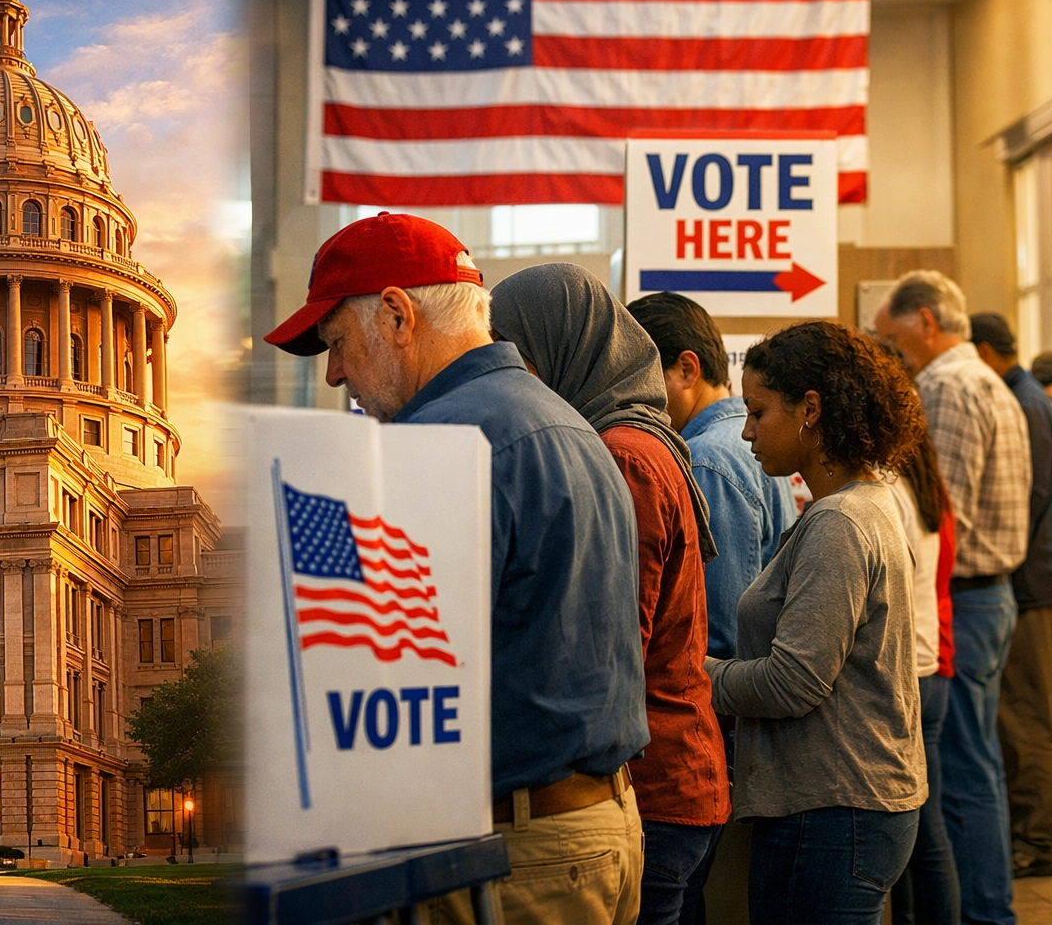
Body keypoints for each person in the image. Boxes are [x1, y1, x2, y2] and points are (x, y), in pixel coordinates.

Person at [264, 213, 649, 924]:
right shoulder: (570, 424)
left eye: (338, 342)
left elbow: (388, 677)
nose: (334, 372)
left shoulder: (443, 441)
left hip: (510, 854)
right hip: (599, 829)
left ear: (396, 313)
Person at [490, 266, 728, 925]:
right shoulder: (638, 437)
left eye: (520, 359)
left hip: (654, 784)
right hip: (669, 773)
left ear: (565, 348)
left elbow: (613, 642)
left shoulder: (621, 455)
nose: (514, 383)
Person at [707, 320, 927, 924]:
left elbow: (792, 683)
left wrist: (692, 674)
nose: (747, 432)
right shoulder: (865, 503)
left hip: (832, 809)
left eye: (758, 411)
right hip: (845, 805)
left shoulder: (840, 523)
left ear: (810, 408)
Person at [626, 290, 799, 922]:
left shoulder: (708, 458)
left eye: (640, 374)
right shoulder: (747, 443)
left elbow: (714, 633)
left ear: (686, 368)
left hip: (712, 727)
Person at [875, 272, 1031, 925]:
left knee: (961, 779)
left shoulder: (946, 386)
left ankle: (984, 915)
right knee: (978, 769)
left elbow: (944, 516)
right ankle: (988, 909)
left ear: (927, 320)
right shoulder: (986, 381)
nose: (893, 352)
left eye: (894, 338)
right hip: (989, 597)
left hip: (963, 601)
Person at [969, 312, 1052, 878]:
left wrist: (1007, 560)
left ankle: (1037, 839)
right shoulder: (1020, 396)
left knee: (1025, 718)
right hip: (1027, 582)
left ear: (981, 350)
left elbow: (1035, 493)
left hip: (1029, 585)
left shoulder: (1023, 402)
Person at [887, 430, 961, 925]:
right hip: (930, 662)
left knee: (924, 838)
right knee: (918, 841)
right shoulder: (925, 486)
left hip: (910, 671)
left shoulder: (889, 490)